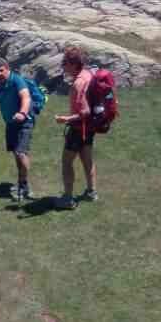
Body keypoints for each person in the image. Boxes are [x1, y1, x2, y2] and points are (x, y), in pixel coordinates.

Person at [0, 57, 34, 201]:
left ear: (7, 68)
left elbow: (26, 97)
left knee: (20, 152)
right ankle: (22, 183)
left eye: (1, 70)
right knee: (17, 154)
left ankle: (24, 186)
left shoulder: (17, 80)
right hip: (10, 123)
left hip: (24, 121)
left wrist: (22, 113)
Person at [54, 46, 96, 210]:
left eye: (65, 62)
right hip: (90, 127)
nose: (63, 65)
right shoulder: (89, 75)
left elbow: (84, 111)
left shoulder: (78, 83)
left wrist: (66, 119)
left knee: (66, 162)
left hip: (78, 128)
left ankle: (68, 199)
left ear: (73, 64)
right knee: (87, 159)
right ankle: (91, 192)